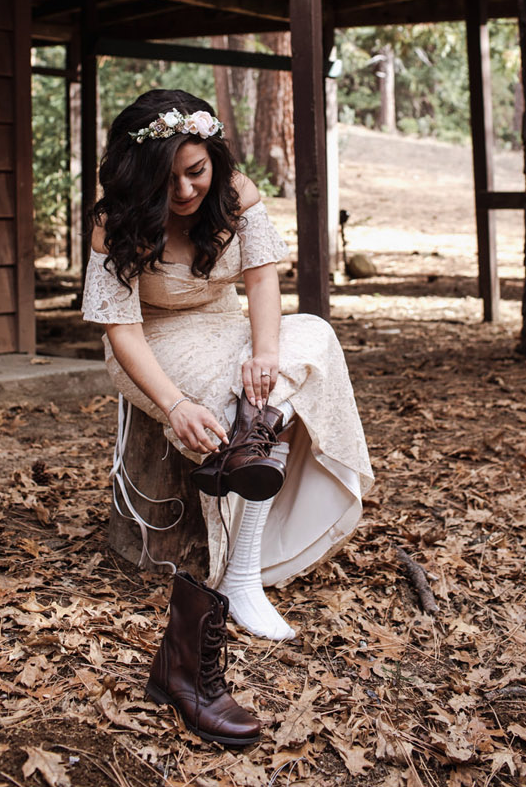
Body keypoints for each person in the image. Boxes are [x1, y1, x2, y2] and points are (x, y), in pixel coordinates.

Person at [81, 89, 374, 742]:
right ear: (140, 172)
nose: (186, 189)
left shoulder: (235, 191)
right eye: (170, 176)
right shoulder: (115, 220)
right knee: (224, 406)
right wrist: (173, 404)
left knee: (311, 342)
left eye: (197, 170)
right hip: (150, 343)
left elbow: (264, 280)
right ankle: (232, 577)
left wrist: (265, 356)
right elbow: (120, 331)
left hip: (226, 328)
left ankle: (241, 565)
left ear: (213, 158)